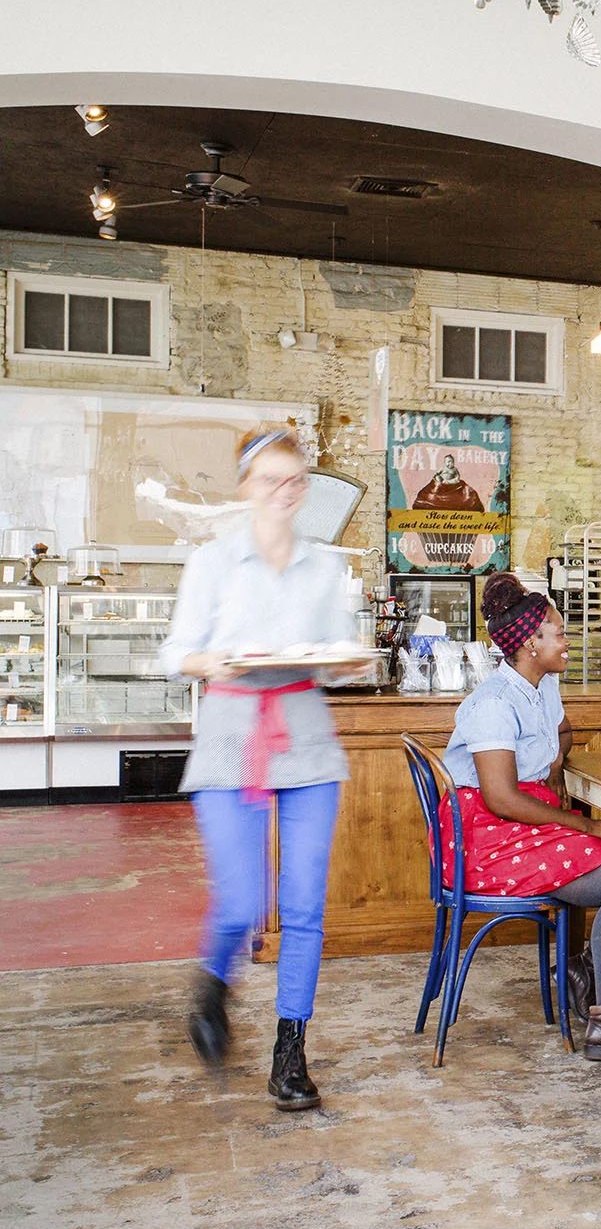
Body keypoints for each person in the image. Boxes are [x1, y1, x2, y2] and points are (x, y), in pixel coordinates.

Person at [161, 426, 353, 1111]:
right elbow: (176, 651)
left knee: (303, 906)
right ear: (245, 486)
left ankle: (290, 1052)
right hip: (229, 734)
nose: (282, 492)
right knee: (243, 901)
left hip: (305, 737)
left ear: (304, 489)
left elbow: (337, 651)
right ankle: (211, 988)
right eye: (269, 479)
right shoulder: (212, 563)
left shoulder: (325, 567)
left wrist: (338, 658)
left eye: (293, 480)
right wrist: (212, 661)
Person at [441, 572, 601, 1059]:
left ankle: (581, 971)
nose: (568, 642)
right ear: (530, 643)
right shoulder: (495, 703)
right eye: (560, 634)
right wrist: (584, 823)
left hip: (522, 823)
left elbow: (561, 731)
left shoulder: (539, 685)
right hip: (486, 839)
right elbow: (501, 798)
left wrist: (556, 772)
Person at [413, 453, 484, 511]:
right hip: (442, 483)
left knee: (465, 491)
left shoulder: (454, 470)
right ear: (444, 463)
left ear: (453, 462)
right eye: (447, 462)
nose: (449, 464)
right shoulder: (443, 468)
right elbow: (437, 473)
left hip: (452, 484)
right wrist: (437, 476)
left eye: (450, 462)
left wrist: (453, 480)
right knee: (436, 484)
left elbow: (457, 477)